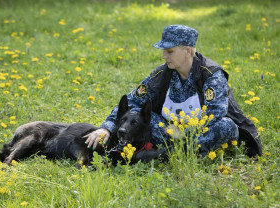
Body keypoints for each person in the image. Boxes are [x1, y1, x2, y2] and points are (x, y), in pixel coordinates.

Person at [84, 25, 262, 157]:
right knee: (140, 115)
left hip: (200, 132)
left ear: (187, 51)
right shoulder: (162, 73)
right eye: (164, 51)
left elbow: (217, 112)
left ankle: (175, 153)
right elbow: (132, 101)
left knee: (227, 126)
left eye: (169, 51)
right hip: (168, 130)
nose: (164, 56)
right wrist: (106, 128)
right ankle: (183, 152)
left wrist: (185, 132)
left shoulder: (211, 74)